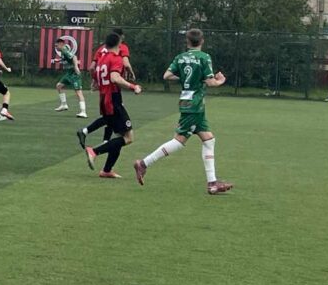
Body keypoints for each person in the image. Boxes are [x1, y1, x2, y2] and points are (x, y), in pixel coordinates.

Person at [134, 28, 233, 195]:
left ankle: (213, 183)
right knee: (179, 141)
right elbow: (210, 82)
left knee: (209, 140)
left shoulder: (180, 57)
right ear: (202, 41)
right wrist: (220, 81)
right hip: (195, 105)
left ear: (187, 42)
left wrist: (185, 77)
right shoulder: (204, 57)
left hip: (188, 102)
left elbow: (166, 76)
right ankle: (143, 163)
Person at [82, 31, 140, 178]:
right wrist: (133, 86)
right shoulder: (115, 58)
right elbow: (115, 78)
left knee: (119, 137)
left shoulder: (102, 58)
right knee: (129, 137)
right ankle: (94, 151)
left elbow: (95, 72)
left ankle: (107, 170)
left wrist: (96, 83)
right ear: (119, 43)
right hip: (113, 100)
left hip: (104, 100)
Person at [51, 37, 87, 117]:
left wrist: (76, 67)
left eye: (56, 46)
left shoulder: (64, 50)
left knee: (78, 92)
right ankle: (64, 105)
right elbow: (67, 59)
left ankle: (83, 112)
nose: (56, 47)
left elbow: (74, 57)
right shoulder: (63, 51)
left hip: (74, 74)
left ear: (61, 44)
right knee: (59, 86)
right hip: (69, 73)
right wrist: (59, 60)